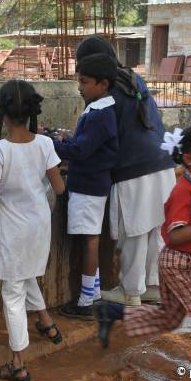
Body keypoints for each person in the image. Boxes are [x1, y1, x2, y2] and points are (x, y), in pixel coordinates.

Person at [96, 125, 191, 381]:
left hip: (190, 263)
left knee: (170, 317)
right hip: (179, 263)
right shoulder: (183, 191)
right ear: (188, 158)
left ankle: (110, 311)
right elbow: (176, 235)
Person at [72, 35, 176, 307]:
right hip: (162, 161)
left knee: (134, 231)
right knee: (156, 229)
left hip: (134, 168)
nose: (81, 83)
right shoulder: (132, 78)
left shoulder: (106, 91)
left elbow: (95, 139)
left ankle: (131, 291)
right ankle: (153, 286)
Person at [0, 80, 65, 381]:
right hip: (40, 226)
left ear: (2, 113)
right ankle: (47, 323)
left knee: (13, 293)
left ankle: (18, 363)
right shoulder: (45, 144)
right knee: (26, 274)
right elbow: (59, 187)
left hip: (15, 230)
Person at [49, 54, 118, 320]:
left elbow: (80, 150)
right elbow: (83, 143)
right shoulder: (98, 110)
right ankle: (94, 293)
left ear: (103, 84)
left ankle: (86, 301)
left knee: (89, 241)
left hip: (89, 186)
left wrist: (50, 144)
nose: (80, 87)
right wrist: (64, 138)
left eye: (84, 82)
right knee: (89, 239)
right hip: (91, 184)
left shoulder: (100, 114)